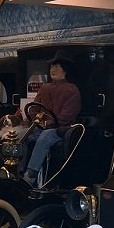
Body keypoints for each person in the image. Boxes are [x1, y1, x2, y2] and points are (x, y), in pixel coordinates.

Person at [22, 55, 81, 186]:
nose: (52, 69)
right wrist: (29, 122)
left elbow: (67, 117)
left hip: (61, 129)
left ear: (65, 70)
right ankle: (17, 170)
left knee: (46, 135)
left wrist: (48, 124)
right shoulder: (44, 88)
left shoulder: (72, 90)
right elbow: (34, 109)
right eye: (51, 66)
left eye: (57, 66)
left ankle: (30, 175)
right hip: (41, 127)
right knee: (21, 134)